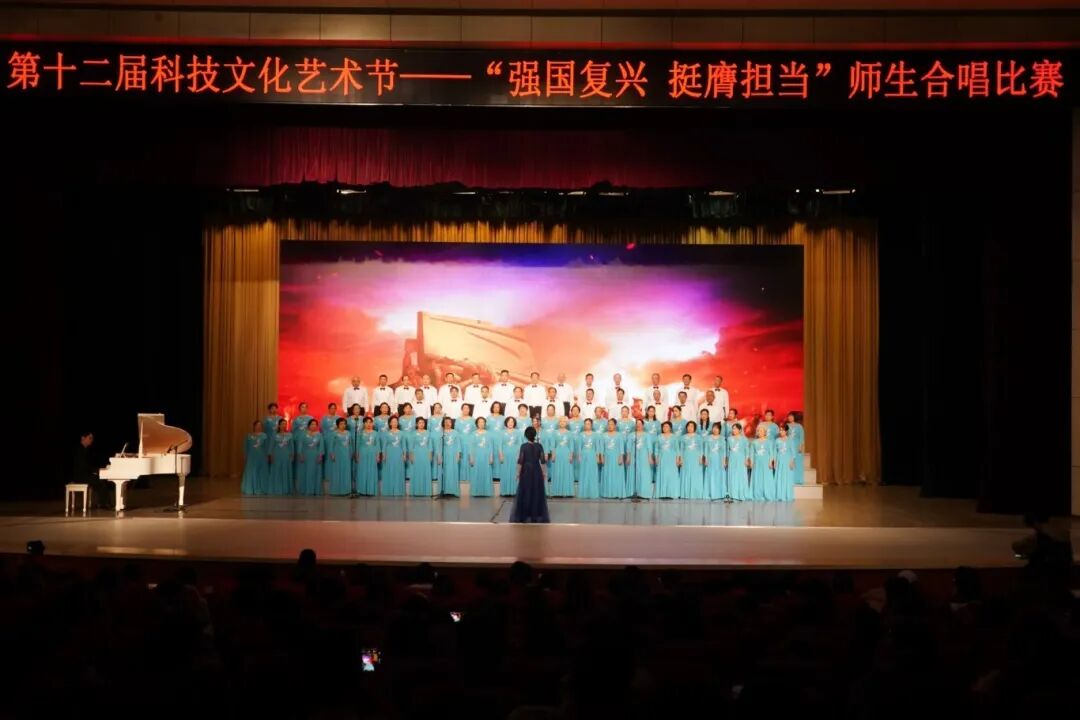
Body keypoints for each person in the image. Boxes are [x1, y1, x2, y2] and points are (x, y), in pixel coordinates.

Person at [509, 426, 549, 523]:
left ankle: (525, 514)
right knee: (536, 492)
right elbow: (542, 461)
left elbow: (520, 461)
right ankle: (536, 514)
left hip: (526, 471)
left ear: (526, 435)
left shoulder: (523, 446)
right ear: (535, 435)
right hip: (536, 470)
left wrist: (517, 473)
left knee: (525, 492)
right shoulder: (539, 446)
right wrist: (544, 473)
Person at [73, 431, 112, 509]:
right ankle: (103, 504)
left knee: (100, 480)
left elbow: (87, 466)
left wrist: (96, 470)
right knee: (100, 481)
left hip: (84, 474)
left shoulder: (86, 450)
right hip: (79, 476)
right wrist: (96, 471)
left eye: (92, 438)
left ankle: (103, 503)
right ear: (83, 438)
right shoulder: (79, 450)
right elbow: (83, 467)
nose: (92, 440)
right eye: (90, 438)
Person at [627, 418, 654, 499]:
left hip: (644, 456)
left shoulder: (647, 435)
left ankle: (643, 493)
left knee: (643, 473)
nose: (638, 425)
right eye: (637, 424)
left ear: (643, 425)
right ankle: (632, 492)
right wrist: (628, 457)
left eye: (640, 424)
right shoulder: (631, 435)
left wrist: (650, 457)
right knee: (633, 473)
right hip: (633, 456)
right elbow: (628, 447)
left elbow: (649, 447)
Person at [295, 419, 324, 496]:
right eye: (312, 424)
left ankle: (315, 490)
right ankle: (306, 490)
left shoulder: (319, 435)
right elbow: (300, 445)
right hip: (305, 456)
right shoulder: (303, 434)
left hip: (316, 456)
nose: (313, 426)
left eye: (315, 424)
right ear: (308, 425)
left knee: (315, 473)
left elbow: (321, 446)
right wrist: (300, 455)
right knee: (305, 473)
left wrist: (320, 456)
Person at [548, 417, 576, 497]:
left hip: (566, 453)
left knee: (566, 472)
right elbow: (552, 444)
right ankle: (556, 492)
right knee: (557, 472)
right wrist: (553, 454)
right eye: (561, 421)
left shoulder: (570, 433)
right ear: (559, 423)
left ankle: (567, 492)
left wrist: (571, 455)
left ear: (566, 423)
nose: (562, 423)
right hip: (557, 454)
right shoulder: (554, 432)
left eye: (564, 421)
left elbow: (571, 445)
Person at [241, 420, 270, 496]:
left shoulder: (264, 436)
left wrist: (267, 456)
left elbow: (267, 447)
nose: (258, 427)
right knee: (251, 472)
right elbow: (246, 447)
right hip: (251, 457)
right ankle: (250, 488)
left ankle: (261, 488)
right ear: (254, 426)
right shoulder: (249, 436)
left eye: (260, 425)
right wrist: (245, 455)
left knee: (261, 472)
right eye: (257, 425)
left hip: (262, 457)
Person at [407, 417, 434, 497]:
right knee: (416, 472)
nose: (421, 424)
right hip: (416, 455)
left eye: (423, 423)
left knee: (425, 472)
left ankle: (426, 492)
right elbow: (411, 446)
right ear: (416, 424)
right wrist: (411, 456)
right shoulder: (413, 433)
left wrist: (430, 455)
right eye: (419, 423)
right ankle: (415, 491)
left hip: (426, 454)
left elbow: (430, 445)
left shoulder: (428, 433)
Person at [325, 417, 353, 496]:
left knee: (346, 472)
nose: (343, 425)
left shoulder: (348, 433)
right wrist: (332, 454)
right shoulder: (334, 433)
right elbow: (331, 445)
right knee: (336, 472)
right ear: (337, 425)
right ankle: (335, 491)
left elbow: (350, 444)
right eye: (341, 424)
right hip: (337, 455)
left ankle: (346, 490)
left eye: (344, 424)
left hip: (346, 455)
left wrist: (351, 453)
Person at [599, 419, 626, 499]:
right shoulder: (603, 435)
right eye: (609, 424)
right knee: (607, 475)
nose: (610, 426)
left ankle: (617, 493)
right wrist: (602, 458)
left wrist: (621, 457)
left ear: (615, 425)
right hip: (607, 458)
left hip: (616, 457)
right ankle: (607, 493)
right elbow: (601, 448)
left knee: (617, 475)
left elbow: (621, 447)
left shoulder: (619, 435)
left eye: (612, 424)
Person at [380, 416, 406, 496]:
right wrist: (384, 455)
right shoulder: (386, 433)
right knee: (389, 471)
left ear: (397, 423)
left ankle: (398, 491)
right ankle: (388, 491)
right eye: (393, 422)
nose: (394, 423)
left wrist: (404, 454)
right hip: (389, 454)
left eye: (396, 422)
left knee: (398, 471)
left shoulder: (402, 433)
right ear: (390, 423)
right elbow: (384, 445)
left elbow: (404, 445)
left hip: (398, 453)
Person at [468, 417, 495, 497]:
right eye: (479, 422)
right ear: (477, 424)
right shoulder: (473, 434)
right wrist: (471, 457)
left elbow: (490, 446)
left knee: (486, 473)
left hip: (486, 456)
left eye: (483, 422)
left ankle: (486, 492)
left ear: (485, 423)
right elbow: (471, 447)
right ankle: (475, 492)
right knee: (476, 473)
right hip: (476, 456)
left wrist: (491, 457)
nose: (481, 423)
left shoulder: (489, 434)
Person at [749, 424, 776, 502]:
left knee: (766, 478)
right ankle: (757, 494)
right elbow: (751, 453)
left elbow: (771, 453)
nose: (759, 432)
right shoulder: (754, 442)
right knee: (757, 478)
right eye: (758, 431)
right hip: (757, 463)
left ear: (765, 432)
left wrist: (770, 462)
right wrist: (751, 462)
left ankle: (767, 494)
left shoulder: (769, 442)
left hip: (766, 462)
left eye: (761, 431)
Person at [575, 419, 601, 499]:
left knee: (592, 473)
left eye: (589, 424)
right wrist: (579, 455)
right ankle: (583, 493)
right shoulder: (581, 434)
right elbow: (579, 446)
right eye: (586, 424)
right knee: (584, 472)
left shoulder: (595, 435)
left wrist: (597, 456)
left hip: (592, 455)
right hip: (584, 455)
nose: (587, 425)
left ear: (591, 425)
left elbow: (597, 446)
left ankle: (593, 493)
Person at [267, 418, 294, 495]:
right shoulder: (274, 435)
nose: (284, 425)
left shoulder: (290, 435)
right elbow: (271, 446)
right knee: (277, 471)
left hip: (286, 455)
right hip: (276, 455)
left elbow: (291, 446)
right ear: (279, 425)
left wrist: (292, 455)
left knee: (286, 471)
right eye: (282, 424)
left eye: (285, 424)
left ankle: (286, 489)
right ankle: (276, 489)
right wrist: (270, 455)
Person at [654, 422, 681, 499]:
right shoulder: (659, 437)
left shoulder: (674, 437)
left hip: (672, 459)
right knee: (662, 475)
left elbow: (677, 449)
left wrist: (677, 459)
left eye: (667, 426)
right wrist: (656, 458)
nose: (665, 428)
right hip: (662, 458)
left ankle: (671, 494)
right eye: (664, 426)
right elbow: (656, 449)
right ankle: (662, 494)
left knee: (671, 476)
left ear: (670, 428)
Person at [679, 421, 705, 500]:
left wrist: (701, 457)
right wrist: (680, 458)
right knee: (686, 473)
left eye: (692, 426)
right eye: (688, 426)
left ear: (695, 428)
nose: (690, 428)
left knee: (696, 474)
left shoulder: (698, 437)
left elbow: (701, 448)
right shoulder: (683, 437)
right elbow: (681, 449)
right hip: (686, 457)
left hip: (696, 458)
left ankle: (696, 493)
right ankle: (685, 493)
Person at [725, 423, 750, 501]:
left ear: (740, 430)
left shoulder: (744, 439)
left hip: (741, 459)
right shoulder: (729, 439)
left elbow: (747, 450)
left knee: (741, 475)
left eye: (735, 429)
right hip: (732, 459)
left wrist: (746, 459)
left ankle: (741, 493)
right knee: (732, 475)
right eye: (733, 429)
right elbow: (727, 451)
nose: (734, 430)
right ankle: (732, 494)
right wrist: (726, 460)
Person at [497, 417, 522, 496]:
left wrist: (519, 455)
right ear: (506, 423)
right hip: (505, 455)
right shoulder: (501, 432)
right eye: (509, 422)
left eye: (512, 422)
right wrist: (501, 455)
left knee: (515, 473)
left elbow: (520, 444)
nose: (510, 423)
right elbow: (499, 445)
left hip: (515, 455)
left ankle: (515, 492)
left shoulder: (518, 432)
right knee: (505, 473)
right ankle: (504, 491)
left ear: (514, 423)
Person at [356, 416, 380, 496]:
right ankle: (362, 490)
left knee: (372, 471)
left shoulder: (376, 433)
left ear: (372, 423)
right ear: (364, 423)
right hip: (362, 453)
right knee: (362, 471)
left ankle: (371, 491)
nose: (368, 424)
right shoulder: (360, 433)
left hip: (373, 453)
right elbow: (358, 445)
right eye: (366, 422)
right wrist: (357, 454)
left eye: (370, 422)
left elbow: (377, 445)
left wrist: (378, 455)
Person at [438, 417, 461, 497]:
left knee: (453, 472)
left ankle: (453, 491)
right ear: (443, 423)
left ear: (452, 423)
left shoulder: (455, 433)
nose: (448, 423)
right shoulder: (441, 433)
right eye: (446, 422)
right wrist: (439, 456)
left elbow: (458, 444)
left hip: (453, 454)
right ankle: (444, 491)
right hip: (444, 454)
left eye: (449, 422)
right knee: (444, 472)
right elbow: (439, 446)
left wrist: (458, 455)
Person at [774, 423, 796, 502]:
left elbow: (793, 452)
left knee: (787, 478)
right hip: (779, 460)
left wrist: (792, 461)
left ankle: (787, 495)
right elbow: (775, 452)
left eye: (783, 430)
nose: (781, 432)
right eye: (780, 430)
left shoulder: (790, 440)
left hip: (787, 461)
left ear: (786, 431)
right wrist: (775, 461)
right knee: (779, 477)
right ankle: (779, 495)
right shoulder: (777, 440)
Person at [704, 423, 725, 500]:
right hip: (710, 459)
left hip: (719, 459)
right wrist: (706, 458)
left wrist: (724, 460)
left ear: (719, 430)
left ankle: (719, 492)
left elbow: (724, 450)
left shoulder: (722, 438)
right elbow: (706, 449)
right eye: (713, 428)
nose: (715, 429)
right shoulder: (708, 438)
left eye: (717, 428)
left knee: (719, 475)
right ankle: (710, 492)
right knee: (710, 474)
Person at [786, 412, 806, 485]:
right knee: (789, 463)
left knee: (797, 463)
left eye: (791, 416)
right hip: (788, 446)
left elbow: (801, 437)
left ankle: (798, 479)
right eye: (789, 416)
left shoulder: (799, 426)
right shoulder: (786, 425)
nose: (790, 418)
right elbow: (784, 435)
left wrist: (800, 446)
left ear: (794, 417)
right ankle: (790, 479)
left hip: (797, 446)